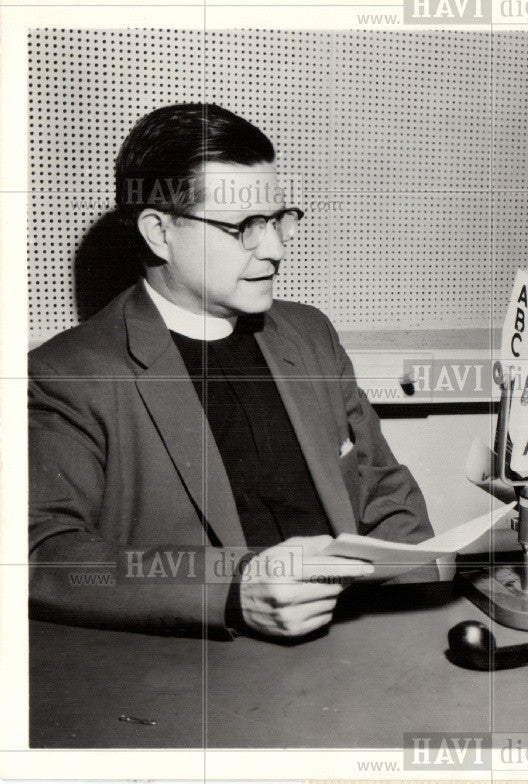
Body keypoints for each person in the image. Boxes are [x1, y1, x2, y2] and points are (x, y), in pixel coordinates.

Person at [29, 103, 433, 640]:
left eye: (279, 220)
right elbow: (43, 553)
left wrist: (420, 608)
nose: (276, 248)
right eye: (245, 226)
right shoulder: (68, 373)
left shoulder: (310, 334)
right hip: (194, 678)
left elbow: (385, 493)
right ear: (158, 232)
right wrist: (231, 589)